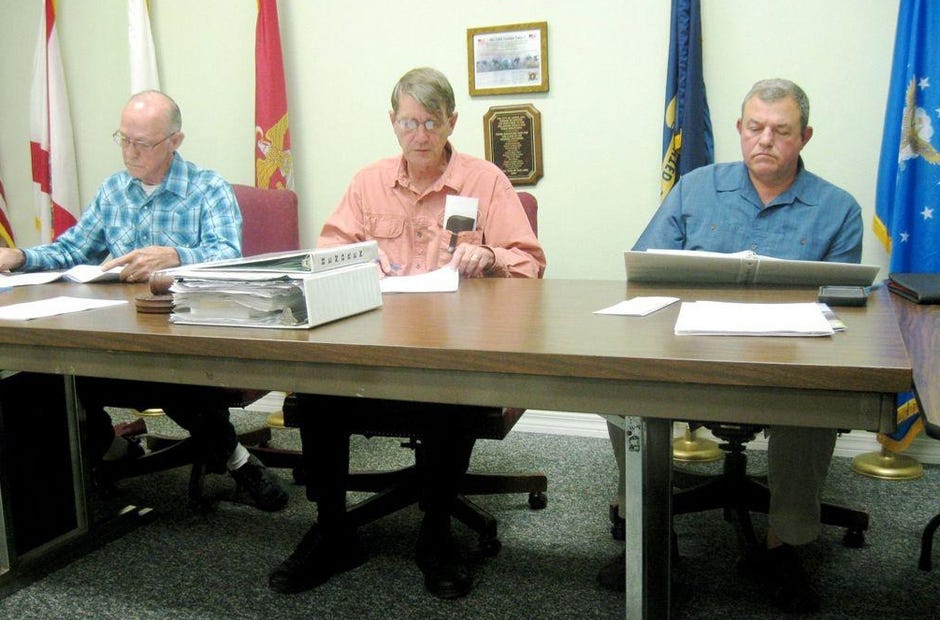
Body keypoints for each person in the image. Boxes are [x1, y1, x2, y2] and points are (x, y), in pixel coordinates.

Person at [268, 67, 545, 600]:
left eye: (431, 123)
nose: (420, 135)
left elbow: (530, 264)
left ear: (451, 123)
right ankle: (331, 529)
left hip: (454, 347)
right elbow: (328, 252)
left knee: (447, 400)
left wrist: (488, 255)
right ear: (393, 122)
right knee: (317, 392)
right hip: (374, 342)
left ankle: (437, 533)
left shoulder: (486, 181)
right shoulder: (368, 181)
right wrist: (351, 267)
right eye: (409, 122)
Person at [599, 78, 862, 614]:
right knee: (615, 392)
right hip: (692, 350)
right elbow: (646, 272)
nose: (764, 140)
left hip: (791, 361)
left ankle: (784, 545)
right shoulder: (696, 187)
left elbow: (846, 308)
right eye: (754, 128)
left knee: (814, 406)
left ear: (804, 136)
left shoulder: (838, 208)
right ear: (740, 129)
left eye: (781, 131)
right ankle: (652, 535)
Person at [0, 90, 289, 512]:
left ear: (174, 141)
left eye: (143, 143)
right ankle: (106, 454)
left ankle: (238, 462)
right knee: (54, 375)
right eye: (124, 139)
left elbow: (230, 256)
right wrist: (20, 256)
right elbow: (72, 251)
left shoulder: (207, 189)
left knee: (171, 376)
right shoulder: (115, 191)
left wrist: (176, 256)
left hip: (185, 329)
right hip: (119, 326)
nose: (130, 153)